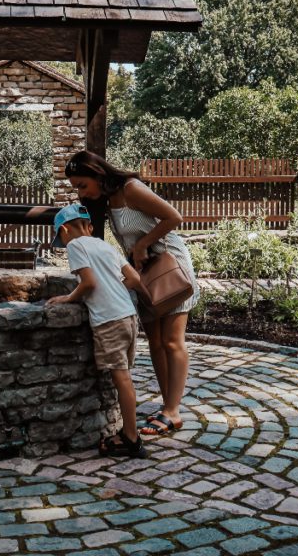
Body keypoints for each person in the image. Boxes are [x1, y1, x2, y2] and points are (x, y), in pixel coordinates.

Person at [64, 150, 197, 437]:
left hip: (169, 266)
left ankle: (173, 412)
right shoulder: (107, 200)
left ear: (97, 174)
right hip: (145, 271)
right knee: (156, 341)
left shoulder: (131, 189)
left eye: (82, 185)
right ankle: (167, 406)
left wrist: (141, 244)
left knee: (173, 341)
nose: (80, 192)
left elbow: (173, 217)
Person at [46, 203, 149, 458]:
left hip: (109, 320)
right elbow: (134, 280)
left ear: (65, 230)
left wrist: (69, 298)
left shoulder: (75, 246)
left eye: (61, 236)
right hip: (127, 315)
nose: (63, 241)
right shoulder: (106, 246)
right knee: (125, 377)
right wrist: (113, 290)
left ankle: (131, 438)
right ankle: (130, 433)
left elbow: (89, 283)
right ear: (90, 227)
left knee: (122, 379)